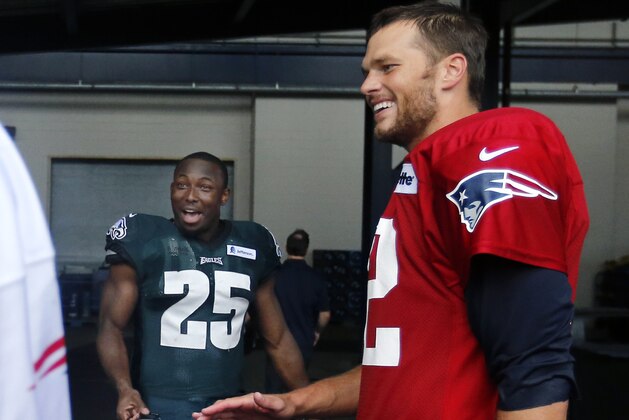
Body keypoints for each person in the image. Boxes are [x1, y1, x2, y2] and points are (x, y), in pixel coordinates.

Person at [195, 2, 589, 419]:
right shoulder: (421, 174)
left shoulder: (491, 143)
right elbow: (398, 365)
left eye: (386, 67)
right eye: (366, 71)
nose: (367, 85)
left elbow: (533, 361)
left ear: (450, 71)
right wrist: (297, 402)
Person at [96, 152, 308, 420]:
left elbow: (277, 339)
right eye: (182, 185)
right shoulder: (146, 239)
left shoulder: (253, 244)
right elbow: (110, 326)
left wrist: (306, 401)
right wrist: (124, 388)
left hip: (226, 410)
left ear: (224, 196)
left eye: (205, 187)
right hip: (156, 409)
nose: (190, 196)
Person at [264, 229, 331, 393]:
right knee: (298, 391)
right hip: (303, 342)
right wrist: (316, 332)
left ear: (286, 247)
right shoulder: (316, 278)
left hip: (275, 340)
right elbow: (325, 314)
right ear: (306, 249)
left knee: (273, 394)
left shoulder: (273, 275)